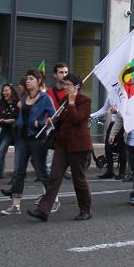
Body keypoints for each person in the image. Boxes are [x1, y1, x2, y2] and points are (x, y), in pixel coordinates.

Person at [27, 73, 94, 221]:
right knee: (54, 177)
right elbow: (63, 120)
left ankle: (85, 209)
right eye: (64, 84)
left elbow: (77, 119)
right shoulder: (64, 100)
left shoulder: (85, 101)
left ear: (76, 86)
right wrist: (54, 121)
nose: (65, 87)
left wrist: (71, 103)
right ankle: (43, 210)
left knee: (79, 179)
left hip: (78, 146)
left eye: (68, 84)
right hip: (62, 145)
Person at [0, 70, 55, 215]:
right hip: (22, 139)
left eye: (31, 79)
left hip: (37, 139)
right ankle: (15, 205)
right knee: (18, 172)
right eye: (27, 79)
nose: (28, 81)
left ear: (39, 81)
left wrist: (41, 122)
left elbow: (54, 117)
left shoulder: (45, 98)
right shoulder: (24, 98)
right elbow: (21, 115)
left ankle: (52, 200)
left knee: (41, 172)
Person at [0, 83, 20, 181]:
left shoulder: (18, 102)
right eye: (3, 91)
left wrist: (12, 119)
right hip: (7, 131)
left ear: (12, 91)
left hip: (17, 132)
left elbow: (18, 116)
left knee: (19, 154)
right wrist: (7, 119)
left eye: (7, 90)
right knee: (0, 152)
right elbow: (0, 115)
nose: (5, 93)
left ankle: (18, 175)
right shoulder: (2, 101)